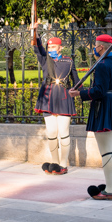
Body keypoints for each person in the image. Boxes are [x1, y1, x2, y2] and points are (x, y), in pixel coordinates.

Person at [69, 34, 112, 200]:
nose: (94, 49)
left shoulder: (102, 64)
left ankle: (110, 190)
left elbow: (99, 91)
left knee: (107, 153)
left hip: (104, 106)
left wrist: (79, 93)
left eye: (95, 46)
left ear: (101, 47)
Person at [34, 34, 81, 175]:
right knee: (52, 133)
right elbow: (37, 48)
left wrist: (81, 92)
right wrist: (35, 32)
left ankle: (63, 164)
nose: (50, 49)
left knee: (64, 132)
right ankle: (55, 163)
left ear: (60, 48)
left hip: (64, 97)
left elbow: (77, 80)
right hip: (47, 98)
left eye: (53, 47)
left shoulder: (69, 61)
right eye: (49, 47)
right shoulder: (45, 59)